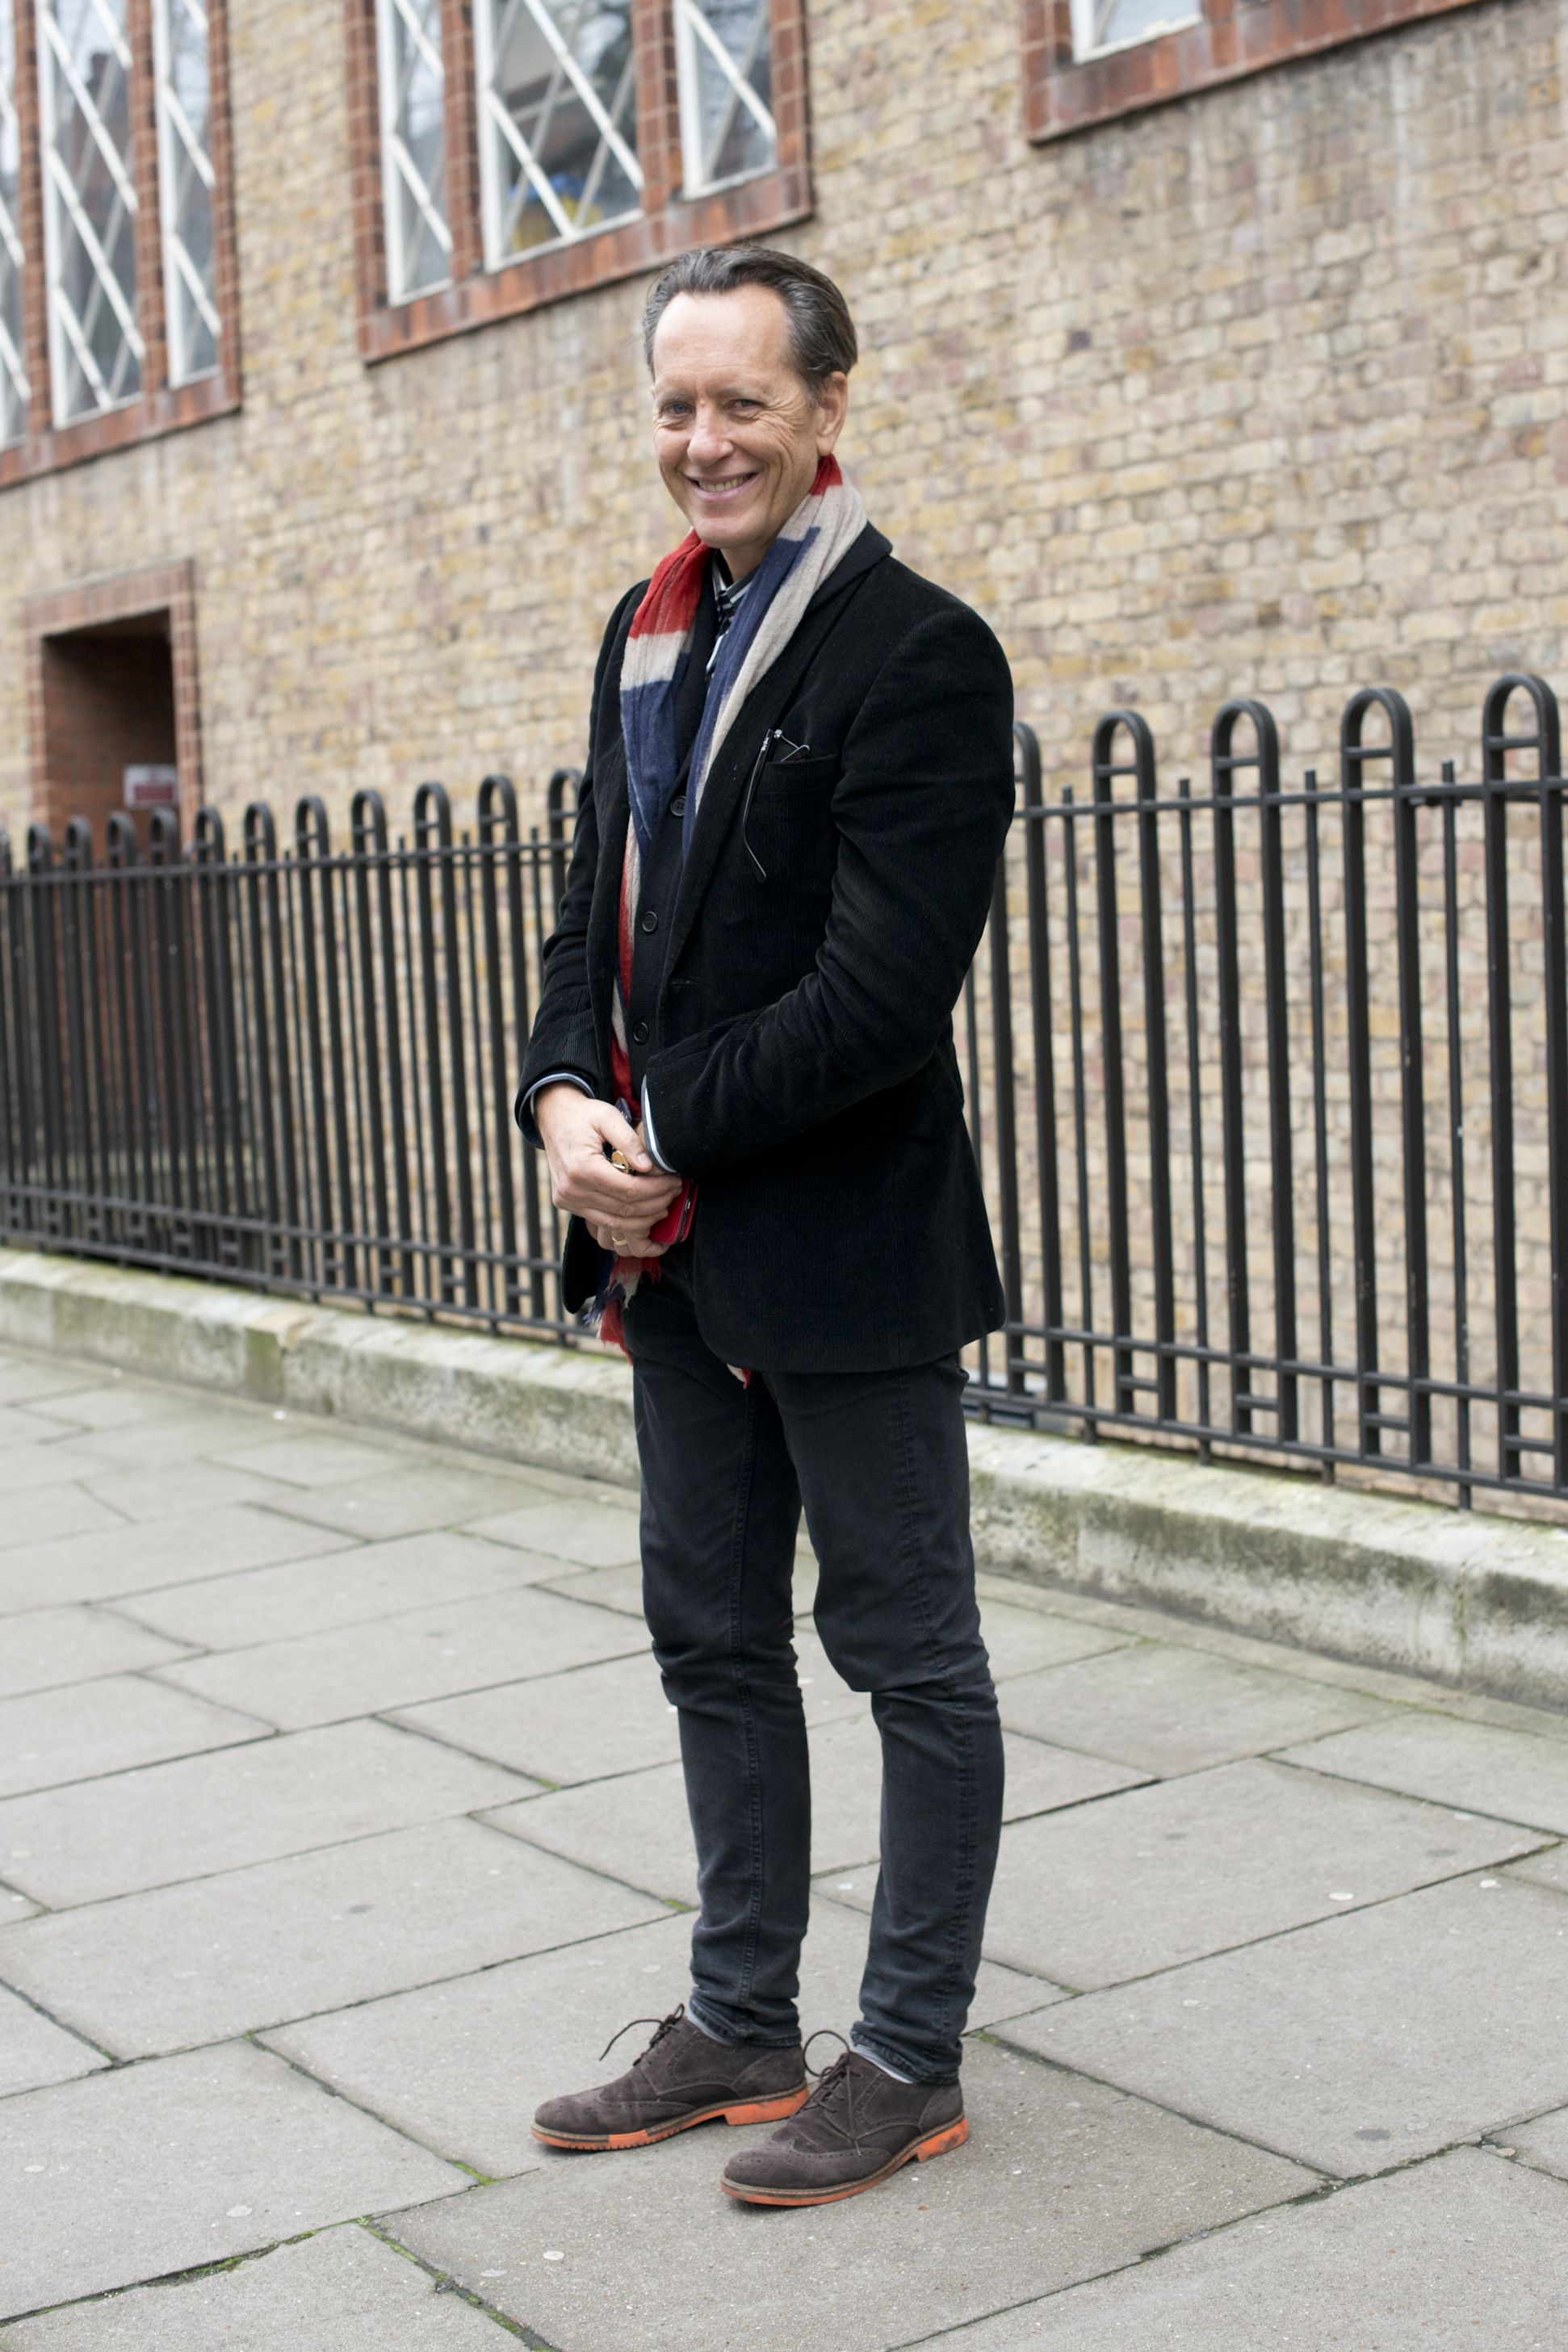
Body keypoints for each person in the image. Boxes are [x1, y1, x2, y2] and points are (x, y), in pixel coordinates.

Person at [516, 242, 1015, 2208]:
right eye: (672, 405)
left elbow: (880, 997)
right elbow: (590, 929)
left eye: (738, 402)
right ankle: (738, 2014)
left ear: (826, 410)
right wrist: (562, 1100)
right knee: (708, 1637)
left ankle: (906, 2050)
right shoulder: (642, 636)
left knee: (906, 1650)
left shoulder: (916, 651)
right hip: (668, 1241)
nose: (700, 441)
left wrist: (644, 1116)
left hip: (840, 1243)